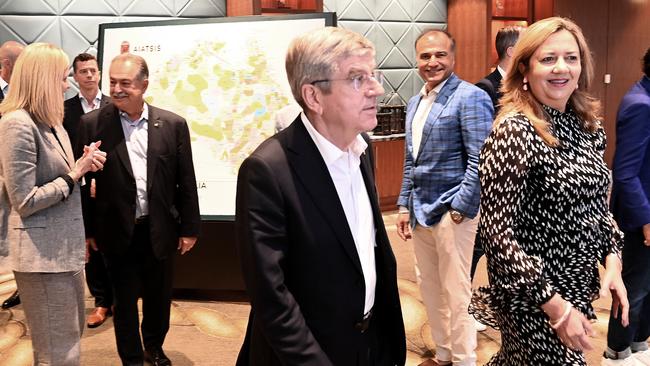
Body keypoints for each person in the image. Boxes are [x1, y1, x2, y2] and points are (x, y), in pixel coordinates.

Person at [235, 26, 406, 366]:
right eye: (357, 78)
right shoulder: (267, 170)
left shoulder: (362, 150)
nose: (377, 90)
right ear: (314, 97)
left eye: (374, 75)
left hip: (367, 343)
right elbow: (272, 297)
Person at [470, 17, 629, 365]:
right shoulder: (514, 132)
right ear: (524, 69)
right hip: (532, 297)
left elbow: (596, 210)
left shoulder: (588, 127)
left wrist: (613, 262)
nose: (562, 68)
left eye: (571, 58)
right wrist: (555, 308)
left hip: (576, 288)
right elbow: (497, 236)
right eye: (548, 59)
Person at [76, 53, 200, 366]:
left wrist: (189, 229)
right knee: (125, 302)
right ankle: (131, 358)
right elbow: (83, 183)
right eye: (113, 82)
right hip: (116, 231)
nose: (116, 89)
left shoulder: (173, 125)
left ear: (144, 85)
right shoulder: (92, 124)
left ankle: (154, 349)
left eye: (125, 83)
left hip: (159, 229)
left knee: (159, 298)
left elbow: (185, 181)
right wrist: (88, 232)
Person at [0, 42, 105, 365]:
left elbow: (60, 176)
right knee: (55, 352)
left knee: (70, 341)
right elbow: (25, 200)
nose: (67, 84)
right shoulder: (17, 124)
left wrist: (83, 165)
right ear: (42, 80)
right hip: (41, 258)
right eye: (62, 77)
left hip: (64, 251)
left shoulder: (51, 121)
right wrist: (75, 173)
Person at [395, 29, 493, 366]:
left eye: (439, 55)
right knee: (430, 289)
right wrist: (403, 204)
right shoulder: (414, 102)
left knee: (456, 291)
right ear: (417, 60)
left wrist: (460, 208)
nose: (432, 62)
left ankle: (465, 359)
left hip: (454, 213)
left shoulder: (470, 97)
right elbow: (412, 159)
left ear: (453, 57)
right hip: (420, 210)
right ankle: (444, 353)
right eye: (425, 56)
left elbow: (481, 159)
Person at [603, 47, 650, 366]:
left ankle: (638, 341)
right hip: (640, 216)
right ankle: (617, 350)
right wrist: (646, 219)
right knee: (633, 288)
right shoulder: (640, 103)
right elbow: (625, 171)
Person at [62, 52, 112, 328]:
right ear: (75, 77)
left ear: (99, 73)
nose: (90, 75)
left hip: (114, 187)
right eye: (84, 72)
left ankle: (118, 297)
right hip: (80, 189)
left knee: (116, 243)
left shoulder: (114, 104)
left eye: (93, 70)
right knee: (89, 243)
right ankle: (102, 301)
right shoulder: (65, 110)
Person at [0, 40, 24, 311]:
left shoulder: (23, 93)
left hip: (16, 174)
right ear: (7, 64)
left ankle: (21, 285)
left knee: (15, 230)